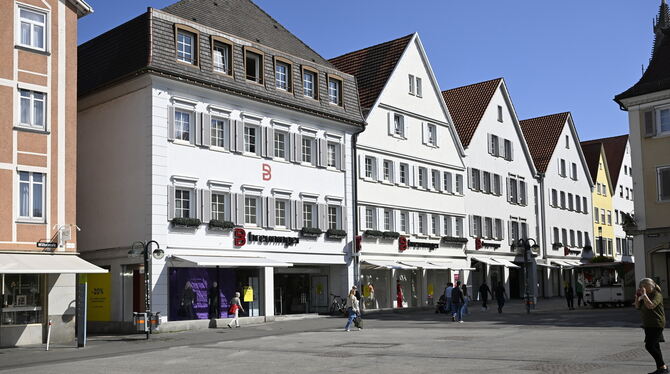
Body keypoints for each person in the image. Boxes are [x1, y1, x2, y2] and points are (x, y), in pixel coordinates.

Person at [635, 278, 668, 374]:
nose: (642, 288)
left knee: (649, 346)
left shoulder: (657, 295)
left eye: (645, 286)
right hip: (648, 325)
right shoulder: (645, 295)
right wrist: (637, 297)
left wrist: (644, 295)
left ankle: (663, 367)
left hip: (657, 324)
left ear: (651, 285)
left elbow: (651, 305)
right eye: (641, 286)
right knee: (655, 346)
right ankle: (661, 369)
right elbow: (637, 306)